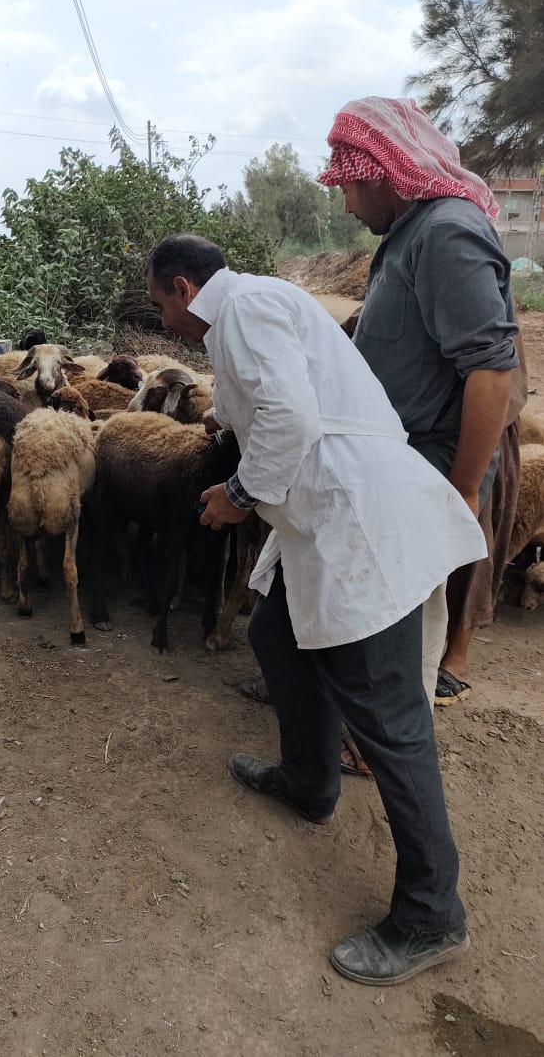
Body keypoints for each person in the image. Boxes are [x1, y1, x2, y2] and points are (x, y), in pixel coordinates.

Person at [146, 233, 486, 987]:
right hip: (321, 515)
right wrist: (216, 424)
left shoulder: (245, 308)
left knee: (389, 718)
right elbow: (256, 400)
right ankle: (309, 782)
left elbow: (291, 417)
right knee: (274, 632)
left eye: (159, 304)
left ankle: (432, 914)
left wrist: (236, 496)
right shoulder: (243, 313)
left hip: (355, 516)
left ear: (182, 287)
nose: (162, 321)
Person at [318, 96, 523, 705]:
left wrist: (461, 489)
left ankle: (379, 735)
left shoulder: (447, 233)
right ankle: (348, 725)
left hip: (422, 469)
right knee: (371, 616)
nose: (346, 203)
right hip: (393, 462)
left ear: (381, 171)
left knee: (392, 631)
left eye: (348, 185)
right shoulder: (410, 234)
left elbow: (491, 370)